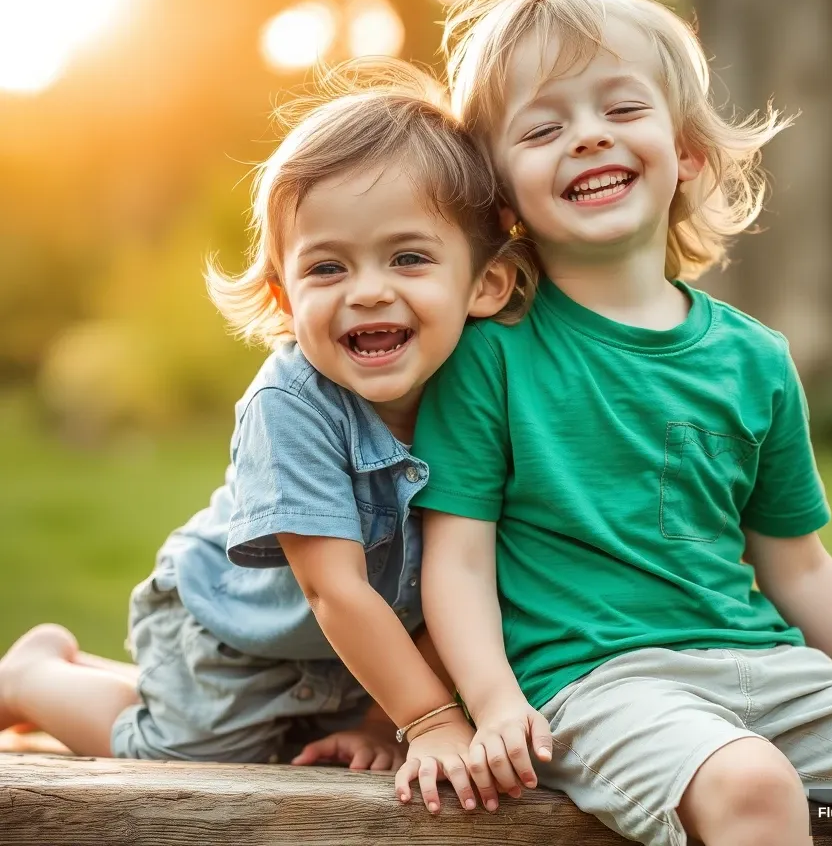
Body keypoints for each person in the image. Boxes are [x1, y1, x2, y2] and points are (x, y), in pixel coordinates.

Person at [410, 0, 832, 846]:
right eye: (543, 130)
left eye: (622, 108)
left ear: (688, 153)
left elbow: (800, 568)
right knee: (752, 785)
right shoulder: (492, 354)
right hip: (600, 689)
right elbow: (457, 560)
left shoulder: (754, 359)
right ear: (500, 196)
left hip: (769, 670)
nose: (588, 135)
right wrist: (496, 704)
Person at [0, 59, 533, 816]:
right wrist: (433, 720)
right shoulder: (291, 404)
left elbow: (466, 575)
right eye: (327, 266)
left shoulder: (488, 392)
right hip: (235, 631)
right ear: (284, 297)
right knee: (181, 757)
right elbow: (332, 589)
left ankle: (89, 674)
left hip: (354, 655)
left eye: (407, 257)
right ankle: (33, 675)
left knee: (294, 754)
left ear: (485, 282)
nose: (369, 289)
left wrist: (388, 721)